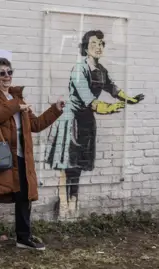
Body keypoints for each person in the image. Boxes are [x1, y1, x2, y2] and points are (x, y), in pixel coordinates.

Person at [0, 57, 65, 257]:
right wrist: (17, 105)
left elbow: (34, 126)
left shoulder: (17, 98)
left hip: (20, 157)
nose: (7, 77)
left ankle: (23, 237)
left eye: (10, 72)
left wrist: (55, 110)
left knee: (24, 197)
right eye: (2, 73)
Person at [45, 29, 144, 206]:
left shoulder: (101, 70)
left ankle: (72, 204)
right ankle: (63, 204)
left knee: (79, 166)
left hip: (86, 121)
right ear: (85, 48)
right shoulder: (79, 69)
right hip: (72, 121)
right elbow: (89, 100)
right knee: (68, 166)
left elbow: (113, 89)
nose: (98, 47)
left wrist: (131, 99)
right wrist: (111, 108)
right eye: (93, 44)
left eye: (100, 43)